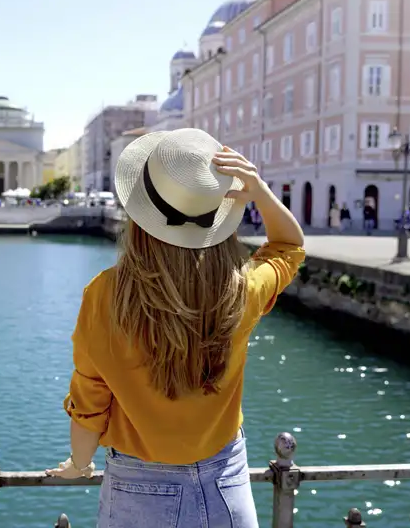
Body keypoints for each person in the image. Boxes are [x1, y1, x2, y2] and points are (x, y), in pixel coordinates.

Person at [45, 128, 305, 527]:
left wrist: (79, 464)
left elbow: (90, 402)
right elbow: (288, 246)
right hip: (227, 484)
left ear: (139, 216)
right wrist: (260, 190)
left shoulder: (105, 296)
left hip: (138, 489)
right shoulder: (241, 289)